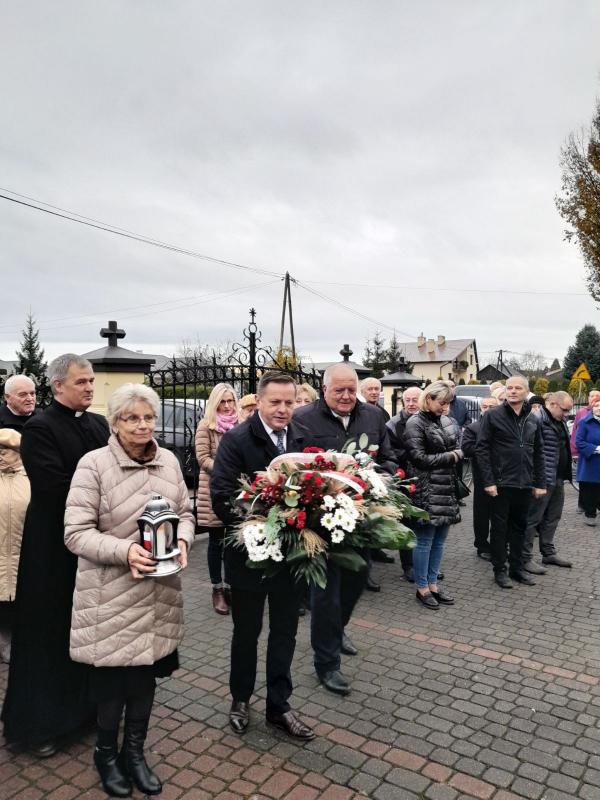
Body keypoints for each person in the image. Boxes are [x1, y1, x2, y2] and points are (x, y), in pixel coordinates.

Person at [64, 383, 194, 797]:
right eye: (132, 418)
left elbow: (186, 513)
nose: (142, 425)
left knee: (144, 679)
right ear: (115, 423)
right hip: (111, 594)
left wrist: (184, 540)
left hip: (159, 594)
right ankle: (106, 755)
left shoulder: (169, 461)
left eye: (148, 417)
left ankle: (135, 754)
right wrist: (125, 551)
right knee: (111, 687)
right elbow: (75, 533)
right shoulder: (93, 465)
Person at [2, 354, 109, 757]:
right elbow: (54, 486)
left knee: (85, 627)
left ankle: (85, 712)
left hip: (91, 545)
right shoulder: (40, 428)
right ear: (58, 385)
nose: (89, 387)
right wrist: (109, 501)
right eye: (81, 382)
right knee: (49, 631)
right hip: (51, 546)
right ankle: (41, 724)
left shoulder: (98, 425)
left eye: (91, 381)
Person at [211, 372, 315, 741]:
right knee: (247, 632)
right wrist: (260, 526)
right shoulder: (238, 439)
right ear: (259, 401)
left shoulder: (302, 438)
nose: (283, 409)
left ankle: (279, 706)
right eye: (275, 402)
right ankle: (240, 699)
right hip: (249, 557)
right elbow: (222, 495)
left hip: (291, 558)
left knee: (285, 632)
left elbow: (315, 488)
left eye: (289, 402)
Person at [294, 363, 397, 694]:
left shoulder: (374, 416)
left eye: (351, 389)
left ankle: (337, 630)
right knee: (325, 594)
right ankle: (326, 663)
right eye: (339, 390)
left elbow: (390, 456)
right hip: (319, 522)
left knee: (357, 578)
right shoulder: (303, 418)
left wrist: (383, 477)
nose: (346, 396)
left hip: (360, 518)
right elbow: (292, 465)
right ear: (324, 389)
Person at [476, 376, 546, 589]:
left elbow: (538, 451)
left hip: (524, 483)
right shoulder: (493, 415)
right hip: (500, 483)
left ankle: (517, 568)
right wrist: (488, 481)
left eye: (518, 388)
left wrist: (540, 482)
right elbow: (482, 449)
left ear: (526, 392)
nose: (513, 391)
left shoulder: (533, 418)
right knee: (499, 529)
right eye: (509, 388)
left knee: (520, 528)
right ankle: (500, 570)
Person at [404, 381, 461, 610]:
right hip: (426, 489)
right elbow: (418, 458)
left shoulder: (446, 421)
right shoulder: (415, 423)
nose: (445, 407)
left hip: (445, 488)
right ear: (428, 399)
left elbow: (458, 445)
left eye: (448, 403)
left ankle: (433, 584)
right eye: (442, 402)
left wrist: (455, 453)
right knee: (424, 541)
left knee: (439, 542)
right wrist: (451, 457)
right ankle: (422, 588)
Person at [195, 383, 239, 615]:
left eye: (230, 400)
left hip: (235, 491)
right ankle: (217, 588)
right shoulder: (206, 425)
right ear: (215, 402)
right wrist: (226, 469)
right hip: (213, 489)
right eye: (222, 401)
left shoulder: (240, 424)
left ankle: (231, 585)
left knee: (233, 542)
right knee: (216, 542)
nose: (227, 405)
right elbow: (202, 458)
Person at [522, 392, 573, 572]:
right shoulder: (536, 420)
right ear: (552, 404)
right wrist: (537, 481)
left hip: (557, 477)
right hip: (543, 479)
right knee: (533, 519)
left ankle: (548, 553)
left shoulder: (559, 420)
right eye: (564, 410)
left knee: (553, 516)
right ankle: (524, 558)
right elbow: (530, 451)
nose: (566, 414)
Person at [386, 386, 422, 581]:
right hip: (405, 480)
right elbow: (389, 451)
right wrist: (412, 455)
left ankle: (423, 564)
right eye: (407, 400)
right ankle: (408, 566)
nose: (411, 403)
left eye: (415, 400)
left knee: (424, 524)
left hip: (425, 481)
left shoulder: (428, 420)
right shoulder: (393, 424)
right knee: (406, 523)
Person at [0, 429, 30, 663]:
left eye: (5, 451)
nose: (0, 455)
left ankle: (19, 646)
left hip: (24, 554)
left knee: (22, 604)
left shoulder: (32, 479)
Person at [461, 396, 499, 560]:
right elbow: (467, 448)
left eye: (492, 406)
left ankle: (498, 544)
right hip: (482, 476)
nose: (488, 409)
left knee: (500, 514)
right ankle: (481, 545)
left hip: (504, 477)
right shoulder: (473, 428)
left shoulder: (504, 426)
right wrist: (486, 449)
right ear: (481, 409)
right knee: (482, 514)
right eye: (485, 406)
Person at [571, 389, 600, 513]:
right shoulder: (584, 421)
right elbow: (578, 441)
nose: (599, 408)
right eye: (596, 406)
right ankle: (588, 512)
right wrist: (596, 448)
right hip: (589, 462)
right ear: (592, 407)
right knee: (589, 491)